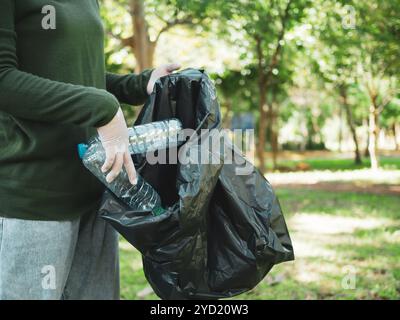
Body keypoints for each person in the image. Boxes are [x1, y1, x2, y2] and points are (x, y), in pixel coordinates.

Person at [0, 0, 180, 299]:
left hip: (96, 192)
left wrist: (137, 84)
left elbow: (79, 76)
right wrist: (102, 109)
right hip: (34, 197)